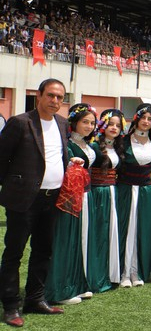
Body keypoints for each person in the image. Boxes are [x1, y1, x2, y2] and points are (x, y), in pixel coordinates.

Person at [0, 78, 68, 327]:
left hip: (52, 198)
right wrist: (14, 186)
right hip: (23, 200)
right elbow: (2, 158)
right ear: (38, 95)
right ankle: (9, 305)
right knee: (14, 253)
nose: (55, 101)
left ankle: (35, 299)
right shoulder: (20, 122)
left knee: (43, 251)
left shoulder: (62, 123)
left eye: (60, 97)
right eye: (50, 95)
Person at [45, 103, 98, 305]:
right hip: (69, 197)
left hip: (86, 195)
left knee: (81, 239)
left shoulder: (89, 145)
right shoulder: (65, 144)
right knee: (65, 241)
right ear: (74, 122)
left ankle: (77, 283)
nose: (89, 126)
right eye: (85, 122)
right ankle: (59, 290)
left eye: (92, 122)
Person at [116, 103, 151, 287]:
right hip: (126, 190)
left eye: (150, 119)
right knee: (125, 230)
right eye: (143, 118)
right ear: (136, 119)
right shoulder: (123, 141)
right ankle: (123, 272)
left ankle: (137, 271)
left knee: (142, 230)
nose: (146, 122)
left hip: (146, 191)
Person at [87, 109, 126, 293]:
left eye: (118, 125)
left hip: (113, 192)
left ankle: (110, 274)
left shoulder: (118, 147)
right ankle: (95, 276)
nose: (114, 128)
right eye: (111, 124)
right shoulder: (94, 146)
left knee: (111, 233)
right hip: (98, 193)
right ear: (103, 125)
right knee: (98, 234)